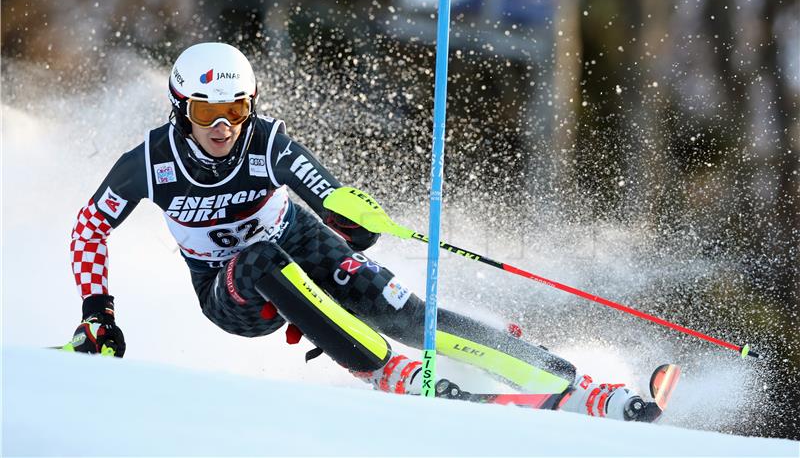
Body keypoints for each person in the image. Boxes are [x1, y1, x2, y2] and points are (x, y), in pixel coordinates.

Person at [65, 42, 655, 421]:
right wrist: (99, 311)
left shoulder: (265, 141)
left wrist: (351, 212)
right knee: (261, 257)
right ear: (178, 109)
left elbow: (321, 188)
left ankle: (571, 382)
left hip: (299, 240)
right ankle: (382, 371)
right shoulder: (150, 161)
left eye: (236, 110)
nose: (222, 127)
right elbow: (91, 226)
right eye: (204, 113)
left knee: (403, 310)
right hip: (231, 289)